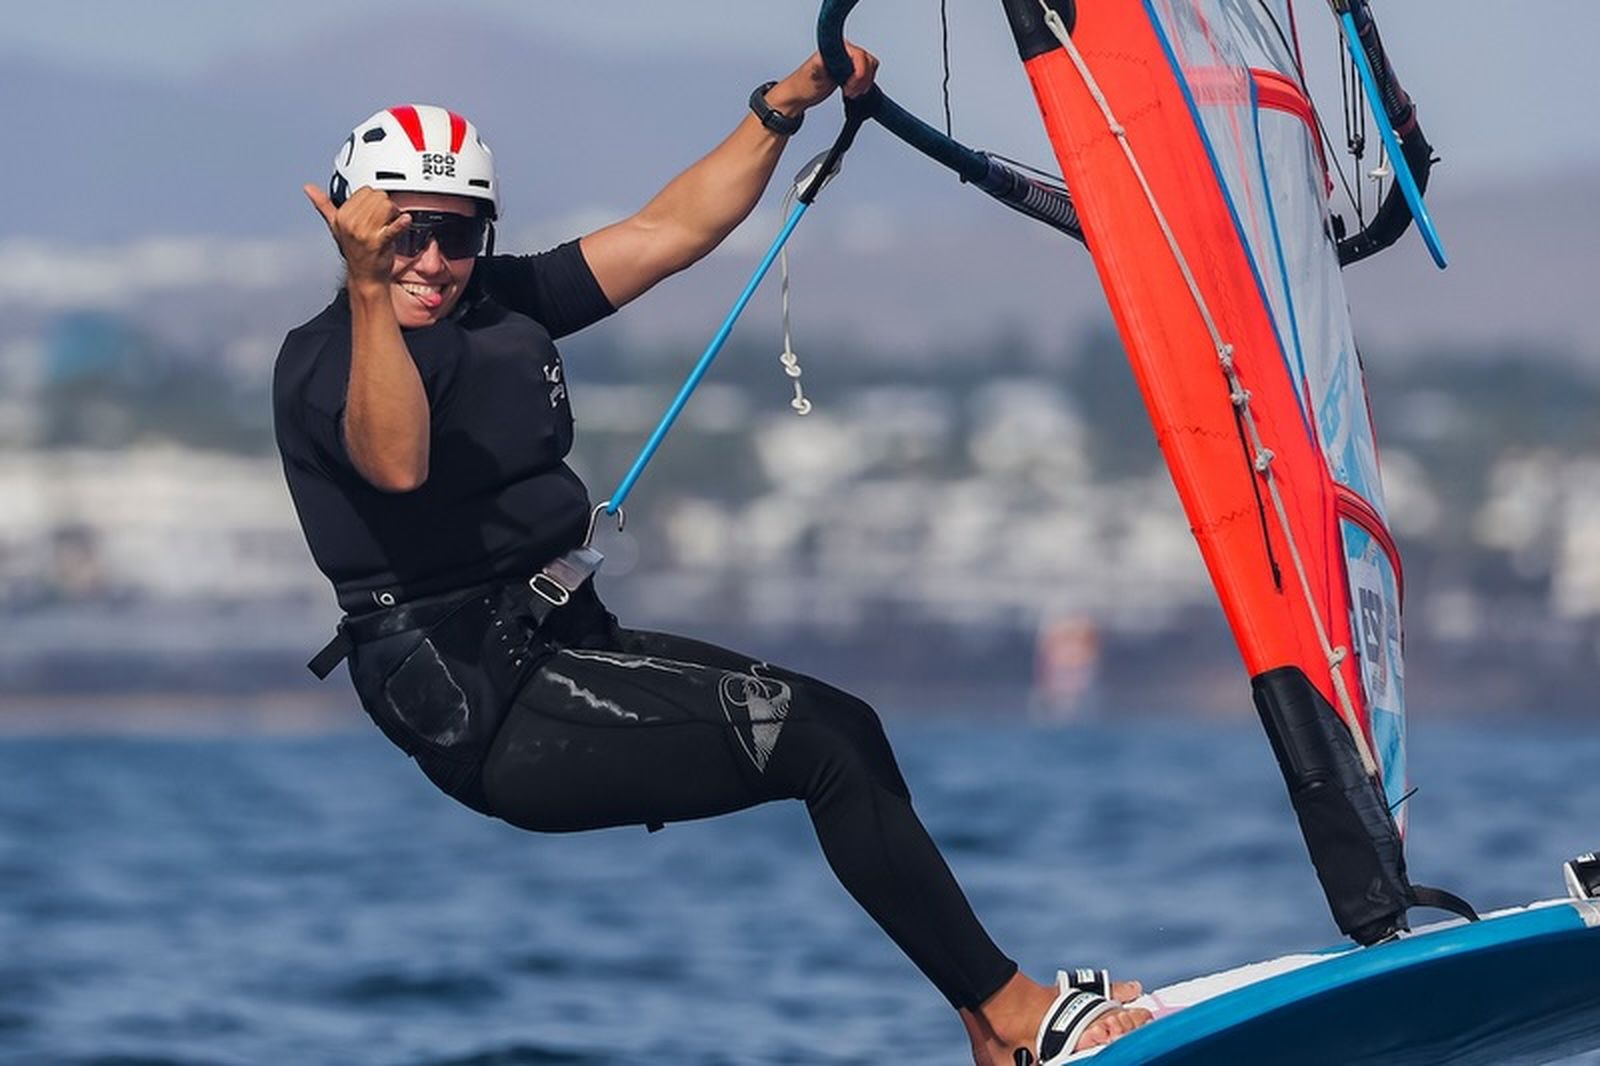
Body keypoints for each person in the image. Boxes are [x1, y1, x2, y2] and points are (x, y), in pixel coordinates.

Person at [273, 46, 1151, 1066]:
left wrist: (781, 108)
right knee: (818, 742)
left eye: (454, 234)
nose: (429, 259)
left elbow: (670, 229)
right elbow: (397, 461)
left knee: (847, 729)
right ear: (353, 229)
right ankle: (1013, 1009)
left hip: (557, 647)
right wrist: (368, 290)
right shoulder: (327, 355)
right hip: (480, 698)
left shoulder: (499, 304)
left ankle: (988, 1028)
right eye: (403, 233)